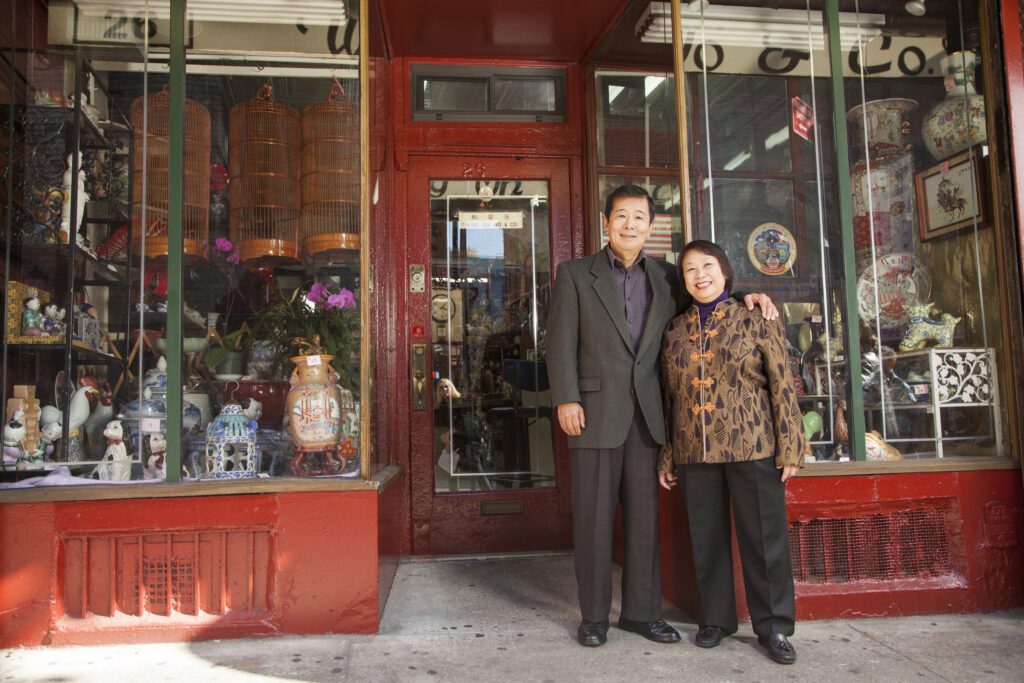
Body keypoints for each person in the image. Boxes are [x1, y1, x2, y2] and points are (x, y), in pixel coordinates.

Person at [546, 185, 776, 648]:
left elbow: (707, 297)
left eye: (639, 218)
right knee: (593, 521)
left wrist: (749, 295)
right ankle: (593, 618)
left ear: (651, 227)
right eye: (621, 216)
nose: (629, 225)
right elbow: (559, 342)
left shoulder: (669, 276)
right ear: (605, 222)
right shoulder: (573, 275)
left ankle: (641, 613)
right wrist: (566, 399)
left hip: (651, 416)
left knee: (644, 520)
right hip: (592, 412)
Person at [658, 240, 808, 664]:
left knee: (764, 540)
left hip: (753, 444)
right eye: (689, 269)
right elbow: (670, 398)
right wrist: (668, 454)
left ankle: (774, 627)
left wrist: (791, 445)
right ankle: (716, 620)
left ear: (725, 272)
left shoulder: (756, 317)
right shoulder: (674, 330)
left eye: (707, 266)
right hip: (694, 449)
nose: (699, 275)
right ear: (683, 280)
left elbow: (782, 383)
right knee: (706, 541)